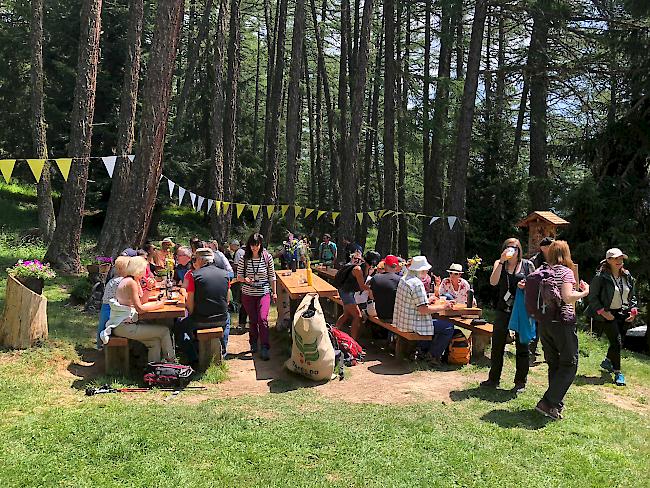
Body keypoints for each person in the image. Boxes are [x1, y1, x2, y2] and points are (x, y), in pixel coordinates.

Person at [534, 240, 589, 420]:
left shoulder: (542, 271)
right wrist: (583, 293)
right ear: (566, 254)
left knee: (554, 364)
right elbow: (567, 296)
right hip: (562, 322)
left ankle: (553, 406)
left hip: (544, 323)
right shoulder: (565, 272)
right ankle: (547, 402)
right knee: (569, 363)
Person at [481, 238, 535, 393]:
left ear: (520, 250)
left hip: (521, 311)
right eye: (509, 247)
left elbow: (537, 285)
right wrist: (501, 261)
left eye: (515, 248)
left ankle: (520, 382)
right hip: (503, 310)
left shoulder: (527, 265)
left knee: (522, 346)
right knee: (497, 345)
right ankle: (493, 379)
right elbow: (493, 282)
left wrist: (526, 286)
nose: (512, 250)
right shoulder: (500, 264)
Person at [103, 256, 175, 363]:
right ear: (137, 269)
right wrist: (159, 304)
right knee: (164, 331)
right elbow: (140, 309)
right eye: (143, 269)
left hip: (123, 324)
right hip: (124, 326)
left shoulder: (131, 280)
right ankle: (172, 362)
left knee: (154, 342)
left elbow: (141, 302)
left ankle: (153, 370)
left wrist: (149, 288)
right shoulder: (131, 283)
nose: (144, 271)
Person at [586, 248, 638, 387]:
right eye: (616, 258)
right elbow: (592, 297)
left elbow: (632, 295)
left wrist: (633, 311)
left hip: (624, 313)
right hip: (607, 314)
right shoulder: (601, 277)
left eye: (621, 258)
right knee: (616, 342)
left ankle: (608, 361)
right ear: (608, 260)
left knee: (618, 343)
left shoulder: (627, 275)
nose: (620, 261)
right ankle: (618, 372)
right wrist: (603, 312)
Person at [393, 256, 455, 366]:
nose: (427, 271)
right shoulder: (417, 283)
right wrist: (444, 307)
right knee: (448, 327)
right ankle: (432, 356)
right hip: (413, 324)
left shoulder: (404, 279)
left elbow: (413, 301)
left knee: (436, 322)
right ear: (420, 270)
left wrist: (427, 300)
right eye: (426, 269)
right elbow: (423, 309)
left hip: (402, 321)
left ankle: (424, 350)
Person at [175, 248, 231, 363]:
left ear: (200, 259)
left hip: (200, 320)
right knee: (228, 318)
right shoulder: (225, 275)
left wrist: (190, 314)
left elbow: (190, 306)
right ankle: (223, 351)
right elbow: (227, 300)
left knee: (178, 327)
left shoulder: (194, 276)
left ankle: (193, 355)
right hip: (221, 319)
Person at [236, 233, 277, 360]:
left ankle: (265, 346)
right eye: (252, 245)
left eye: (257, 245)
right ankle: (253, 343)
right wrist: (245, 279)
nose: (254, 248)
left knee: (262, 319)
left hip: (263, 292)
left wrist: (274, 292)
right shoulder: (244, 258)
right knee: (253, 320)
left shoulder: (267, 257)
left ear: (260, 245)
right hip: (248, 293)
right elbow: (238, 277)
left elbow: (272, 276)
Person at [334, 250, 376, 340]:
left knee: (346, 314)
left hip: (349, 292)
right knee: (358, 316)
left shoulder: (366, 269)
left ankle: (334, 331)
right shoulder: (358, 269)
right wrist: (372, 288)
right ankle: (353, 341)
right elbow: (361, 286)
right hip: (346, 292)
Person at [529, 236, 555, 362]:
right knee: (537, 321)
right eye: (550, 246)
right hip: (538, 295)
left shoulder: (556, 259)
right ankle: (531, 348)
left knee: (548, 323)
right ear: (543, 248)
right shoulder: (535, 260)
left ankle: (548, 350)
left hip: (551, 296)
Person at [96, 256, 130, 349]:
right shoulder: (121, 281)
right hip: (110, 306)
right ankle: (101, 345)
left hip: (107, 304)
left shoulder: (114, 279)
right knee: (104, 324)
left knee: (102, 324)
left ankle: (99, 344)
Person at [368, 255, 401, 322]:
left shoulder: (375, 278)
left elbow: (371, 296)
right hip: (394, 316)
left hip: (380, 314)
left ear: (385, 265)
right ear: (396, 266)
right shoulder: (399, 280)